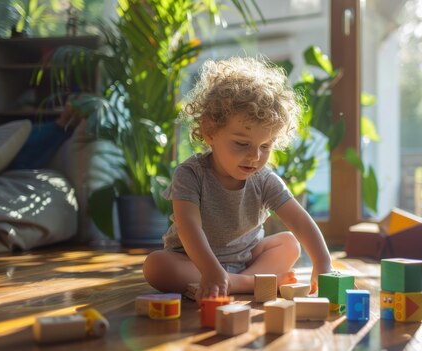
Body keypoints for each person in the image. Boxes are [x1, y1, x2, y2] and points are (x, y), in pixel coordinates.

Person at [142, 56, 333, 301]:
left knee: (289, 244)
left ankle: (233, 282)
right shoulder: (189, 174)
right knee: (156, 265)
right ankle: (249, 284)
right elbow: (189, 227)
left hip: (247, 260)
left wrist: (323, 262)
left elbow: (300, 221)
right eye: (242, 143)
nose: (254, 156)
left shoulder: (265, 180)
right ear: (210, 132)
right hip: (195, 262)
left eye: (265, 146)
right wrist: (210, 270)